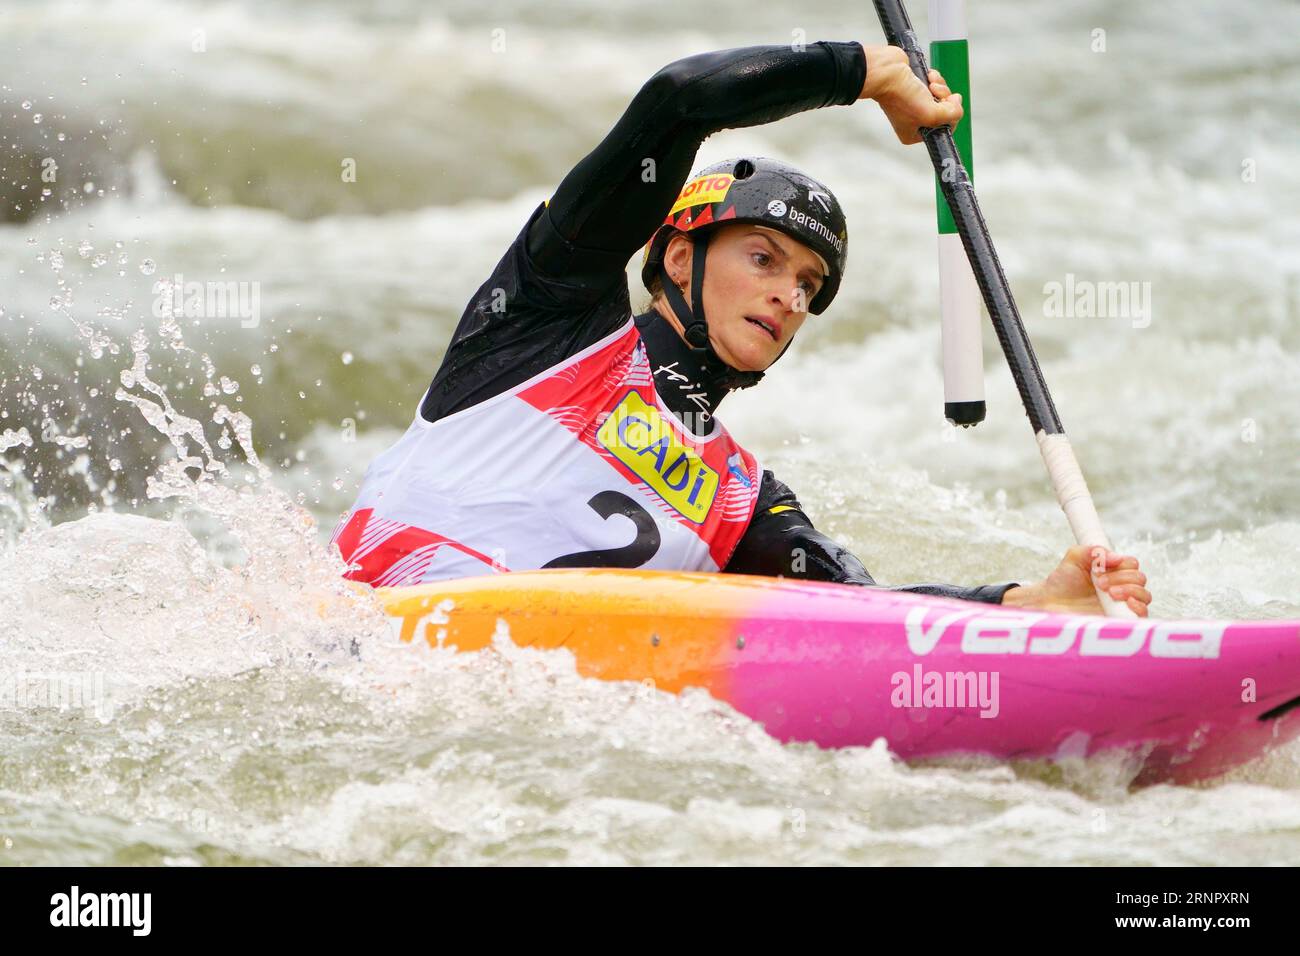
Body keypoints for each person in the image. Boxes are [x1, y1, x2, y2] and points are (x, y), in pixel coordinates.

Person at [331, 40, 1151, 617]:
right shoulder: (548, 317)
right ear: (679, 261)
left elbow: (866, 619)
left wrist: (1030, 603)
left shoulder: (741, 497)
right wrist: (866, 73)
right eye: (763, 258)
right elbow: (679, 99)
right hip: (364, 634)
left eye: (808, 282)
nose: (789, 295)